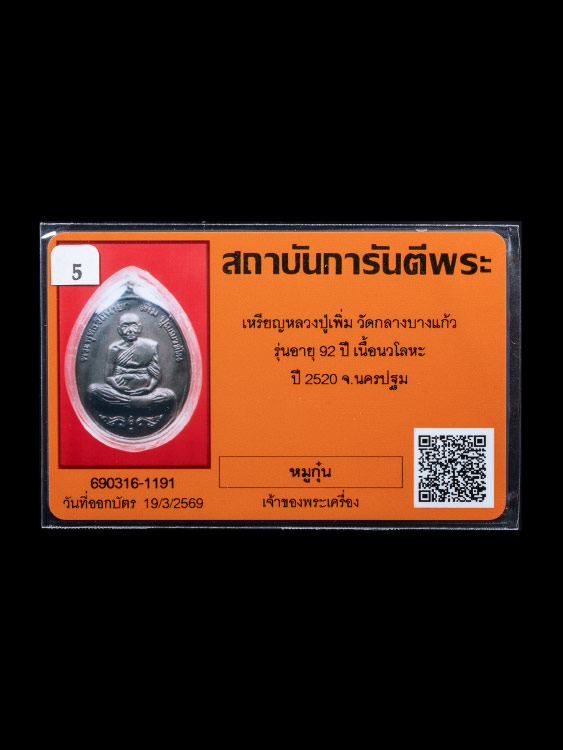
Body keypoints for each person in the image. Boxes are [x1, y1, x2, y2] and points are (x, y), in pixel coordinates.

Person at [87, 313, 176, 414]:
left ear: (139, 328)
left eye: (133, 326)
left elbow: (156, 376)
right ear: (119, 330)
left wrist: (148, 389)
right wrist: (118, 387)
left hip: (143, 390)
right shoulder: (114, 348)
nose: (130, 330)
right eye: (125, 326)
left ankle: (125, 404)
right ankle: (139, 404)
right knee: (93, 390)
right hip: (119, 391)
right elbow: (108, 376)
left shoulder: (149, 346)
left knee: (169, 396)